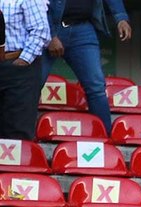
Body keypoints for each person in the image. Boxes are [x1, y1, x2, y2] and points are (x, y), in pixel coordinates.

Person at [42, 0, 131, 135]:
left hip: (83, 28)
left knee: (96, 86)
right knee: (31, 85)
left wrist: (121, 18)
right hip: (50, 27)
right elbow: (37, 4)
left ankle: (104, 140)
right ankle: (23, 139)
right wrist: (51, 35)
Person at [0, 0, 49, 141]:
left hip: (17, 67)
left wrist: (24, 60)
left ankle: (15, 164)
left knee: (17, 132)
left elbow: (40, 30)